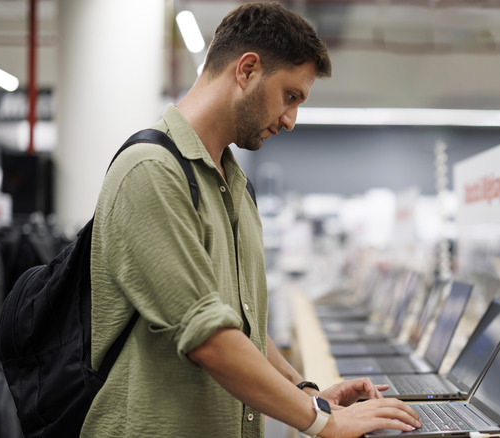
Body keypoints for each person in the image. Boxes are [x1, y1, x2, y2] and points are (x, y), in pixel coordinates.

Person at [83, 2, 421, 437]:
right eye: (290, 96)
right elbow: (210, 339)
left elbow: (240, 327)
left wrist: (306, 391)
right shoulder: (151, 171)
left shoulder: (235, 186)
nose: (291, 119)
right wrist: (323, 421)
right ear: (247, 71)